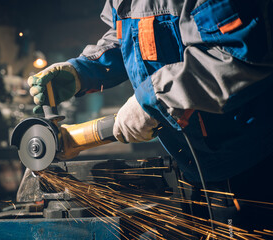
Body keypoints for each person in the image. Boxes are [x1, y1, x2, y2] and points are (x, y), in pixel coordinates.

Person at [27, 0, 273, 234]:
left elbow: (237, 54)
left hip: (252, 158)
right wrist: (83, 71)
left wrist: (157, 99)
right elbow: (127, 37)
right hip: (196, 160)